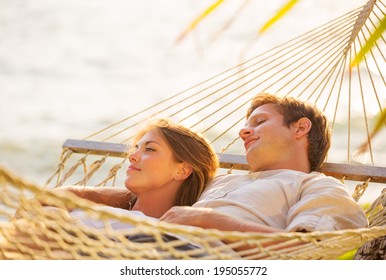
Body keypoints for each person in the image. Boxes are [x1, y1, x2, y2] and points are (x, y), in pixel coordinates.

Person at [55, 93, 368, 233]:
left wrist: (208, 221)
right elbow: (151, 198)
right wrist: (74, 195)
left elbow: (305, 252)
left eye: (259, 122)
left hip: (197, 258)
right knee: (42, 224)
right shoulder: (221, 182)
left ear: (300, 128)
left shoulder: (320, 187)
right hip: (150, 243)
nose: (245, 131)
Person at [34, 118, 219, 220]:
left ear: (182, 170)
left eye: (150, 149)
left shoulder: (167, 238)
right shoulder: (104, 210)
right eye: (136, 147)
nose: (132, 156)